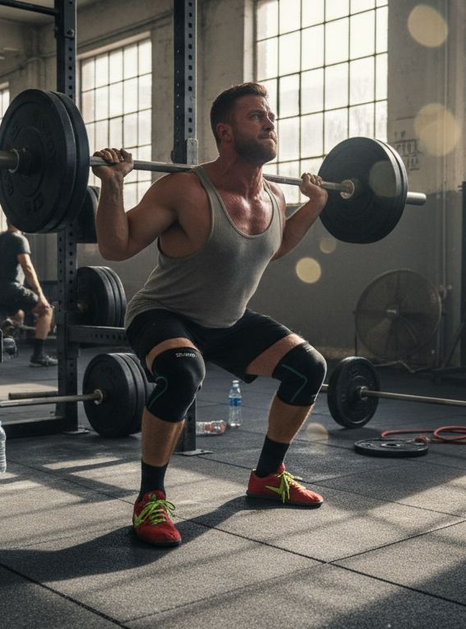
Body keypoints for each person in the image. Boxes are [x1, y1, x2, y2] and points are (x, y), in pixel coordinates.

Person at [92, 82, 330, 547]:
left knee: (309, 368)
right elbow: (115, 247)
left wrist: (316, 206)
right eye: (255, 116)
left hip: (227, 320)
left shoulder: (276, 200)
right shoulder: (183, 189)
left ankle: (267, 476)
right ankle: (149, 498)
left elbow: (274, 247)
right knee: (183, 371)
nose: (269, 123)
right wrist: (113, 185)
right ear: (225, 131)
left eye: (270, 116)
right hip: (163, 313)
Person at [0, 224, 57, 367]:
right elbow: (27, 267)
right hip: (11, 288)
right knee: (46, 310)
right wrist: (41, 295)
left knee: (18, 315)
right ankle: (38, 356)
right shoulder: (19, 239)